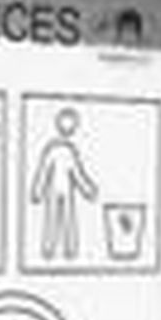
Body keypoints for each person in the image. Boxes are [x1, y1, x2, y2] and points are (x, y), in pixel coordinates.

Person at [30, 107, 98, 261]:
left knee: (65, 218)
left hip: (64, 189)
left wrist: (88, 190)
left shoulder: (65, 150)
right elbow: (45, 171)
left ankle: (64, 250)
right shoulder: (56, 150)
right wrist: (38, 191)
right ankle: (56, 249)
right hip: (57, 189)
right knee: (57, 218)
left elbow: (77, 173)